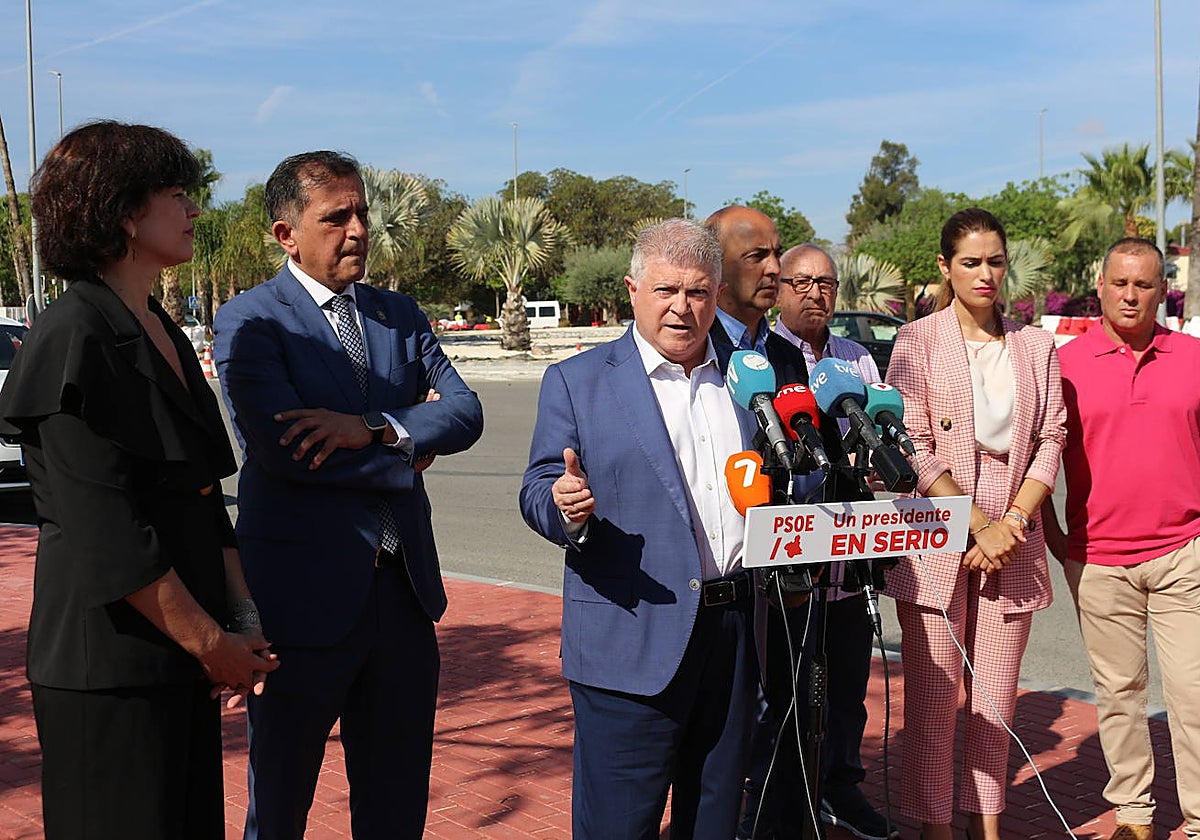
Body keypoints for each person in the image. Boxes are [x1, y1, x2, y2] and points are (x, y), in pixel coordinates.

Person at [0, 121, 277, 838]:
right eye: (176, 194)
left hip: (184, 659)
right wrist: (212, 644)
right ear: (124, 212)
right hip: (109, 668)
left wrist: (240, 626)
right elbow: (108, 533)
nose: (193, 209)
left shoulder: (161, 327)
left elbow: (206, 499)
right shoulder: (74, 335)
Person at [213, 151, 484, 839]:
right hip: (300, 607)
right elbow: (286, 452)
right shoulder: (251, 320)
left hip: (402, 598)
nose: (358, 229)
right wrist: (410, 451)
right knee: (280, 806)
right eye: (336, 217)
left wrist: (373, 428)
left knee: (396, 806)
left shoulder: (399, 314)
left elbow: (465, 412)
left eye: (362, 213)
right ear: (287, 234)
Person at [520, 218, 758, 840]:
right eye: (666, 290)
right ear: (632, 290)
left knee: (714, 823)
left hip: (735, 636)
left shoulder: (749, 379)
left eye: (698, 292)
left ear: (717, 295)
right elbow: (538, 486)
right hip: (629, 640)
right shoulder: (577, 381)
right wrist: (564, 505)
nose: (683, 307)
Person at [884, 208, 1065, 840]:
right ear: (945, 267)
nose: (985, 273)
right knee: (934, 700)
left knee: (995, 697)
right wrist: (976, 523)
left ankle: (986, 825)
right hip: (939, 529)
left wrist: (1009, 521)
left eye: (995, 261)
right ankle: (934, 827)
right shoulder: (917, 341)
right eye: (970, 262)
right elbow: (909, 441)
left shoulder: (1035, 345)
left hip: (1015, 533)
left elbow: (1051, 438)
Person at [1041, 238, 1200, 840]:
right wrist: (1055, 535)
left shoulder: (1194, 358)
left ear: (1163, 291)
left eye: (1144, 284)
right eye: (1120, 283)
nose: (1131, 295)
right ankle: (1133, 813)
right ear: (1100, 287)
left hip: (1184, 552)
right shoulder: (1064, 365)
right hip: (1099, 561)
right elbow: (1038, 457)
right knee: (1119, 695)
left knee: (1193, 694)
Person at [773, 243, 896, 840]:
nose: (815, 293)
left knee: (847, 686)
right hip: (790, 556)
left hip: (851, 554)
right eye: (801, 282)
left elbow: (880, 434)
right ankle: (783, 795)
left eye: (825, 283)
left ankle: (841, 786)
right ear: (779, 288)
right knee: (787, 689)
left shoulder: (857, 359)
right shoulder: (760, 358)